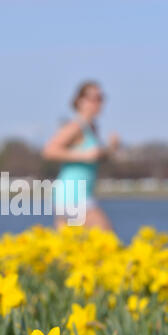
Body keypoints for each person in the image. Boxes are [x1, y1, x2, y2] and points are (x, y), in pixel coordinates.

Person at [42, 81, 119, 230]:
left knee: (70, 249)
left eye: (101, 98)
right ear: (80, 101)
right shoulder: (75, 126)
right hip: (74, 195)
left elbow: (93, 156)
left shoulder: (91, 128)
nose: (98, 102)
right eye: (94, 98)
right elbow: (49, 150)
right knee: (106, 241)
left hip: (75, 194)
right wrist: (84, 155)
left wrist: (110, 149)